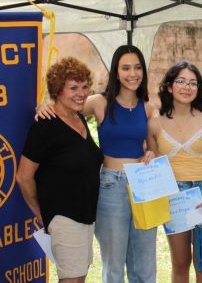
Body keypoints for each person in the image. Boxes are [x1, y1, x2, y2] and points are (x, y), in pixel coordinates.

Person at [36, 45, 156, 283]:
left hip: (144, 186)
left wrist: (152, 153)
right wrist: (44, 106)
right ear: (116, 72)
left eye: (137, 67)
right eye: (125, 68)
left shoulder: (148, 107)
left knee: (145, 264)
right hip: (112, 186)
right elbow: (67, 105)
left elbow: (153, 148)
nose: (132, 73)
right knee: (113, 265)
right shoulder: (100, 103)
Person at [16, 57, 103, 283]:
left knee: (78, 277)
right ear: (57, 90)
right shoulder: (45, 125)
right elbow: (23, 177)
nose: (81, 93)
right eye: (73, 88)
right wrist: (42, 213)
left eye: (84, 87)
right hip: (64, 217)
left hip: (85, 215)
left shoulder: (79, 118)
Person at [146, 61, 202, 283]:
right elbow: (154, 164)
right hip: (174, 195)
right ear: (169, 87)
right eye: (180, 81)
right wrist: (148, 158)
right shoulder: (154, 123)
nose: (187, 87)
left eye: (193, 83)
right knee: (180, 262)